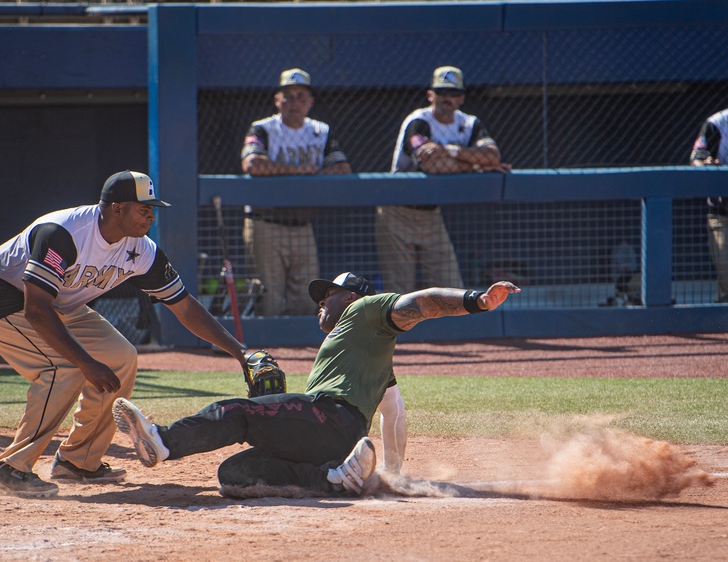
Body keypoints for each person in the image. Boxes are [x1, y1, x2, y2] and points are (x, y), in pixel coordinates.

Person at [0, 170, 248, 498]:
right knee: (63, 368)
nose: (151, 216)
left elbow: (184, 307)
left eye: (152, 209)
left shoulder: (142, 250)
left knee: (121, 358)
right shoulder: (64, 233)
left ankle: (78, 461)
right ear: (116, 209)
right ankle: (12, 468)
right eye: (143, 209)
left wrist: (241, 352)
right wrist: (86, 363)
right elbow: (36, 310)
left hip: (55, 304)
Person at [113, 272, 521, 497]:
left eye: (330, 293)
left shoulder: (367, 310)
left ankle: (163, 441)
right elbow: (393, 412)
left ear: (356, 296)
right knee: (235, 473)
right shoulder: (367, 354)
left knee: (237, 412)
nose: (321, 301)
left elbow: (424, 302)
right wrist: (392, 475)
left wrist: (477, 300)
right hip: (334, 438)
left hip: (330, 417)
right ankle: (335, 479)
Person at [377, 66, 510, 295]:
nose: (447, 98)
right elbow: (432, 166)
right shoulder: (418, 121)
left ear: (461, 98)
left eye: (452, 93)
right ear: (431, 95)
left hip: (432, 216)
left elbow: (494, 156)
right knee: (399, 294)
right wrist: (476, 164)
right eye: (441, 92)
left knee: (451, 288)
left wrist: (449, 150)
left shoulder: (469, 124)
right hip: (397, 212)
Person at [241, 68, 352, 317]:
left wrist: (312, 175)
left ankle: (299, 357)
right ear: (277, 100)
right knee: (269, 303)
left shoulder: (320, 131)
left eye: (301, 96)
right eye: (288, 96)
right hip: (265, 224)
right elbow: (252, 164)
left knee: (306, 300)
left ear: (310, 102)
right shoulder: (263, 129)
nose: (294, 102)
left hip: (303, 226)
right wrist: (300, 170)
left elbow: (342, 168)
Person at [689, 109, 728, 304]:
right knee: (726, 274)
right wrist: (705, 165)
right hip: (722, 214)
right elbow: (697, 158)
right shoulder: (718, 123)